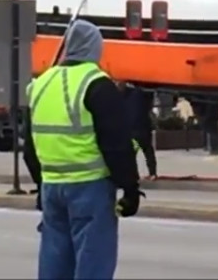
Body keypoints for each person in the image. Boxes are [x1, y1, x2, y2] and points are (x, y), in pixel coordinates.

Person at [23, 19, 141, 280]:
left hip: (52, 187)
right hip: (90, 189)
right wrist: (130, 188)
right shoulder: (97, 84)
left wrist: (41, 184)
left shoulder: (40, 84)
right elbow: (116, 143)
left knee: (55, 260)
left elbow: (29, 147)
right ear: (94, 48)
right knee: (93, 263)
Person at [120, 82, 158, 180]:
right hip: (142, 128)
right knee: (147, 151)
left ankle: (135, 174)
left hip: (134, 130)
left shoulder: (125, 96)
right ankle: (152, 173)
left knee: (132, 153)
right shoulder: (139, 94)